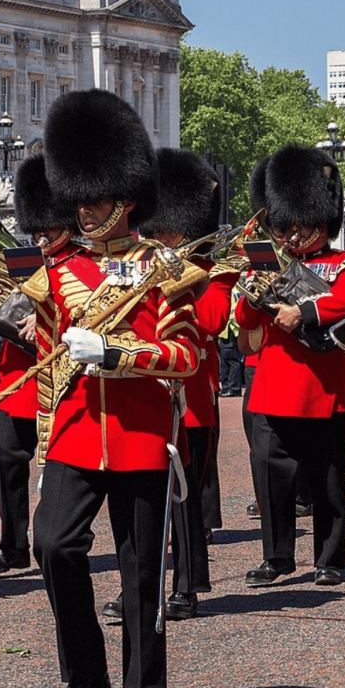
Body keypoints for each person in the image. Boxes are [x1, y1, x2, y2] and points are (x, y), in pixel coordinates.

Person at [28, 90, 199, 688]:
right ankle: (83, 680)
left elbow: (183, 355)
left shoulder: (165, 271)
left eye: (95, 197)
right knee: (54, 544)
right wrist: (44, 449)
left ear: (124, 198)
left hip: (138, 435)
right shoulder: (58, 273)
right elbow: (48, 364)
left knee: (140, 572)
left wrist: (120, 351)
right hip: (74, 433)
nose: (84, 207)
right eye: (80, 196)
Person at [236, 145, 345, 588]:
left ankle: (329, 558)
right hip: (275, 386)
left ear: (323, 220)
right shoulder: (271, 266)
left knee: (328, 479)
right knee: (271, 476)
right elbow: (244, 321)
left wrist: (306, 313)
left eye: (302, 224)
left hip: (323, 386)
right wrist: (252, 298)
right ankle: (277, 556)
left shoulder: (344, 263)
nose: (293, 234)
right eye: (287, 225)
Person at [120, 146, 237, 621]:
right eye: (159, 230)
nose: (164, 238)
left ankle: (186, 586)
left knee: (185, 500)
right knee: (143, 500)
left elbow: (210, 322)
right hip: (148, 395)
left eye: (171, 231)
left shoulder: (216, 273)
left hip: (193, 400)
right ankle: (143, 588)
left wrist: (180, 283)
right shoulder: (139, 266)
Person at [0, 156, 78, 576]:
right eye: (37, 228)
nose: (42, 236)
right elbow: (1, 308)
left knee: (62, 471)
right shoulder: (23, 256)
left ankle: (60, 541)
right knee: (4, 460)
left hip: (62, 379)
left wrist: (48, 314)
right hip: (14, 379)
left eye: (49, 228)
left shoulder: (81, 262)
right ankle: (12, 543)